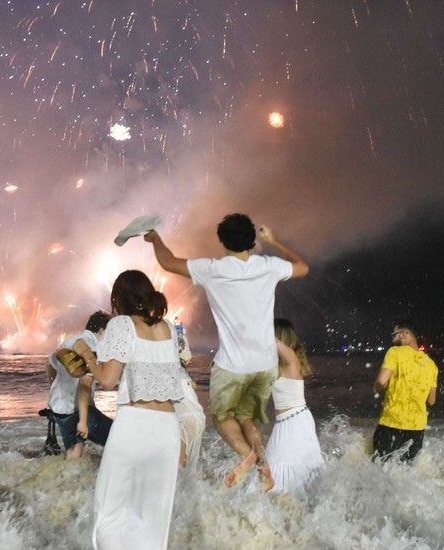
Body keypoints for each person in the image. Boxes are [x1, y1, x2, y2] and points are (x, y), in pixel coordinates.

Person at [144, 214, 309, 492]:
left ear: (221, 241)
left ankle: (247, 456)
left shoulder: (213, 269)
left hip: (232, 364)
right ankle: (263, 468)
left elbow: (167, 262)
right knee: (248, 417)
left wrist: (155, 238)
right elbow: (302, 267)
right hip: (265, 363)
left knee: (221, 418)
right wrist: (275, 242)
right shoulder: (269, 266)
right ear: (252, 240)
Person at [73, 270, 183, 549]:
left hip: (135, 425)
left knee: (109, 511)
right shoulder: (169, 328)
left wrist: (87, 354)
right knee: (152, 519)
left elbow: (108, 379)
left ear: (118, 300)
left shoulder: (122, 324)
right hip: (168, 428)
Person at [265, 319, 324, 495]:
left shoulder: (292, 361)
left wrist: (260, 327)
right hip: (285, 423)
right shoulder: (275, 366)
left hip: (297, 422)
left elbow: (267, 339)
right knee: (275, 468)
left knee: (281, 470)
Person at [44, 311, 112, 458]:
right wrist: (82, 421)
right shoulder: (93, 348)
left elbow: (49, 365)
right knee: (117, 440)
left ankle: (66, 480)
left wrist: (53, 389)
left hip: (59, 409)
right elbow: (84, 386)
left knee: (74, 456)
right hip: (79, 410)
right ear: (102, 330)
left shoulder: (68, 341)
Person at [372, 320, 438, 464]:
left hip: (392, 423)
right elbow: (431, 400)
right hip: (417, 429)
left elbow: (382, 381)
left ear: (404, 334)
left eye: (394, 334)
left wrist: (377, 387)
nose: (392, 338)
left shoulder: (395, 352)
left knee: (380, 470)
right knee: (406, 471)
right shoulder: (430, 364)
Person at [172, 318, 206, 470]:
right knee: (184, 470)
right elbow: (193, 385)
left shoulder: (168, 372)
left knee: (177, 469)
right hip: (196, 417)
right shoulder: (182, 373)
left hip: (184, 421)